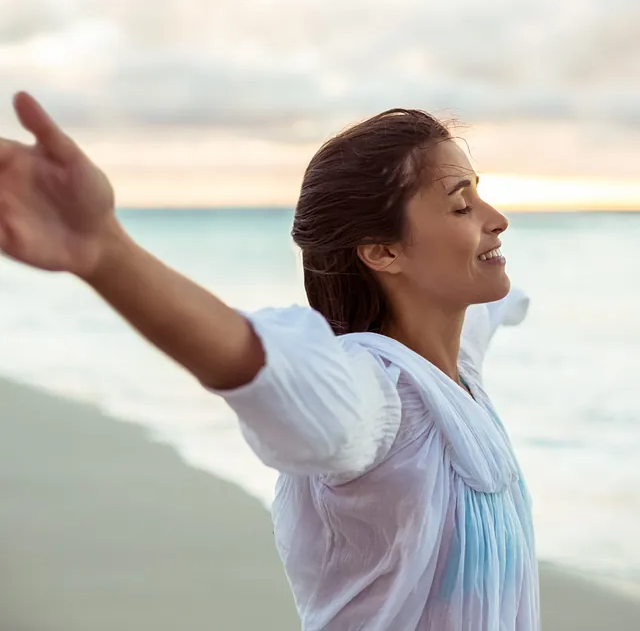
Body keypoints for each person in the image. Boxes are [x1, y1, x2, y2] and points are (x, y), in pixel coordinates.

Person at [0, 93, 538, 630]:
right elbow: (253, 360)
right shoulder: (374, 401)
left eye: (480, 195)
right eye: (461, 205)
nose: (497, 220)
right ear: (382, 252)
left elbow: (501, 305)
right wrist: (104, 250)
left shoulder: (454, 361)